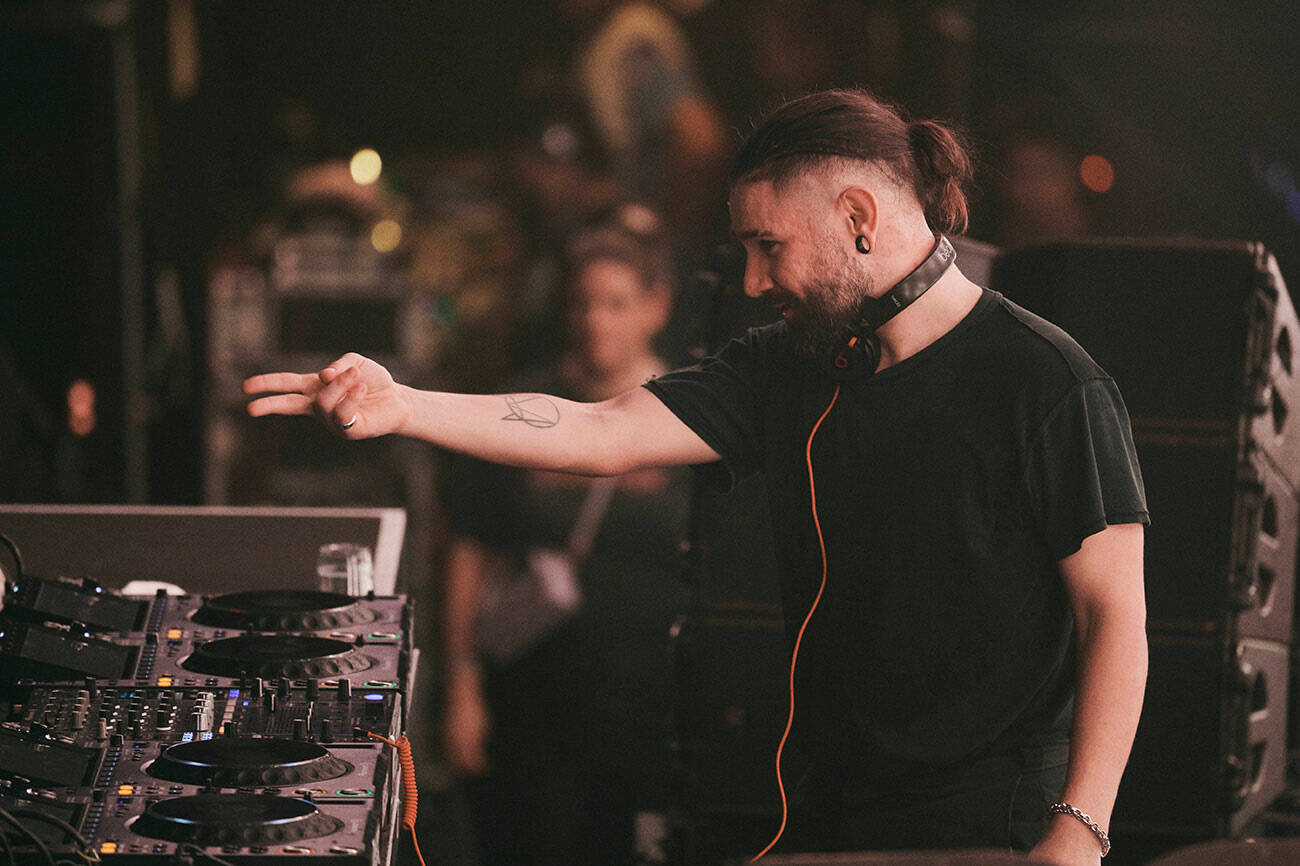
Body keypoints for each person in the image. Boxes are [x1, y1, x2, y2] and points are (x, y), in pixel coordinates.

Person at [244, 89, 1148, 866]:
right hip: (831, 809)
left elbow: (1114, 616)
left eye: (767, 245)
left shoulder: (1046, 384)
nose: (751, 282)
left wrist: (1081, 830)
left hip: (991, 824)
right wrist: (405, 405)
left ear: (859, 219)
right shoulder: (790, 366)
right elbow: (598, 427)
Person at [440, 214, 692, 865]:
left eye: (616, 303)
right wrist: (461, 687)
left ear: (655, 308)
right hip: (533, 693)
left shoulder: (691, 414)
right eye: (582, 303)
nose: (596, 321)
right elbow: (471, 547)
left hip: (649, 700)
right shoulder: (523, 408)